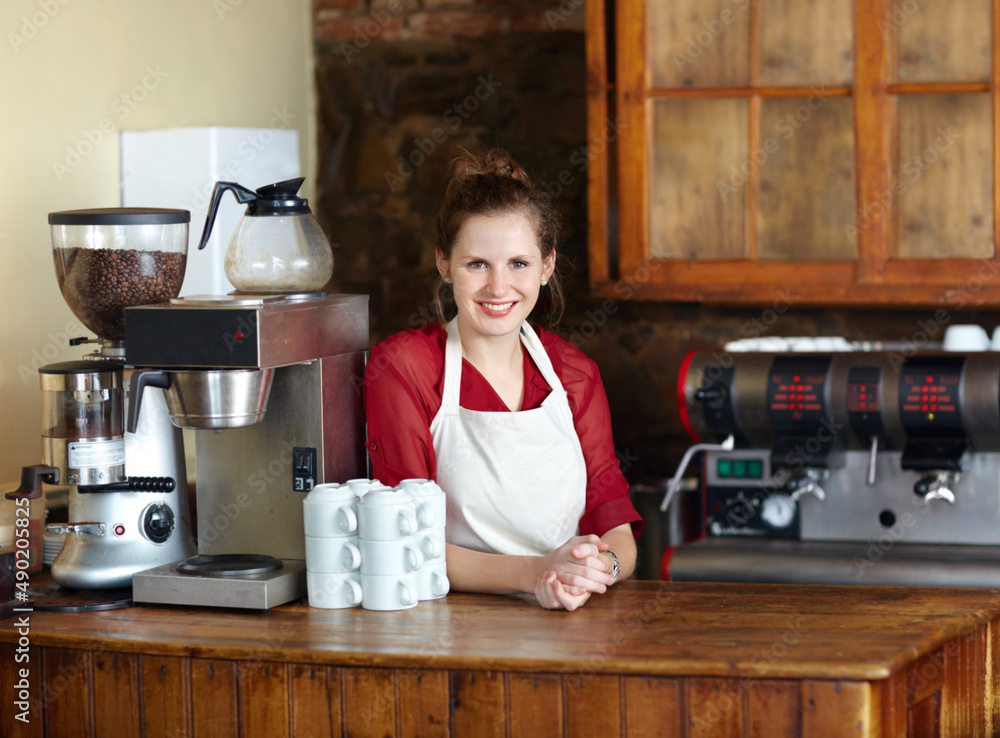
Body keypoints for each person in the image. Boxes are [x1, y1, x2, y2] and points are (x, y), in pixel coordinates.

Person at [363, 148, 642, 611]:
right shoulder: (405, 367)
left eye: (518, 264)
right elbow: (404, 538)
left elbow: (612, 516)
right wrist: (539, 572)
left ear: (546, 266)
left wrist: (597, 570)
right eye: (477, 264)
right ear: (443, 264)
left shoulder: (574, 375)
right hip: (450, 625)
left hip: (570, 617)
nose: (498, 287)